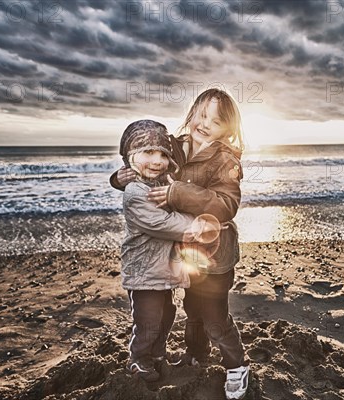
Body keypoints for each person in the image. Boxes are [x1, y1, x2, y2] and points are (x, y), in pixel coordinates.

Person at [110, 88, 249, 400]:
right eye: (201, 115)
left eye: (215, 120)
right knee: (191, 308)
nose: (205, 124)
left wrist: (178, 194)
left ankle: (237, 365)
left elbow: (226, 205)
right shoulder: (173, 145)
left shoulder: (226, 160)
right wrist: (119, 179)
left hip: (216, 251)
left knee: (213, 315)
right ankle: (197, 354)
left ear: (228, 128)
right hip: (183, 250)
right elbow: (144, 156)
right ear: (193, 113)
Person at [116, 119, 210, 383]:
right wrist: (196, 225)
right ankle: (138, 358)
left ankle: (157, 353)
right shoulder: (135, 192)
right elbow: (162, 223)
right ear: (130, 158)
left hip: (162, 269)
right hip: (145, 271)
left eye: (163, 155)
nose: (157, 160)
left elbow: (176, 203)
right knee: (148, 320)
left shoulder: (160, 183)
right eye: (147, 153)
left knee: (166, 314)